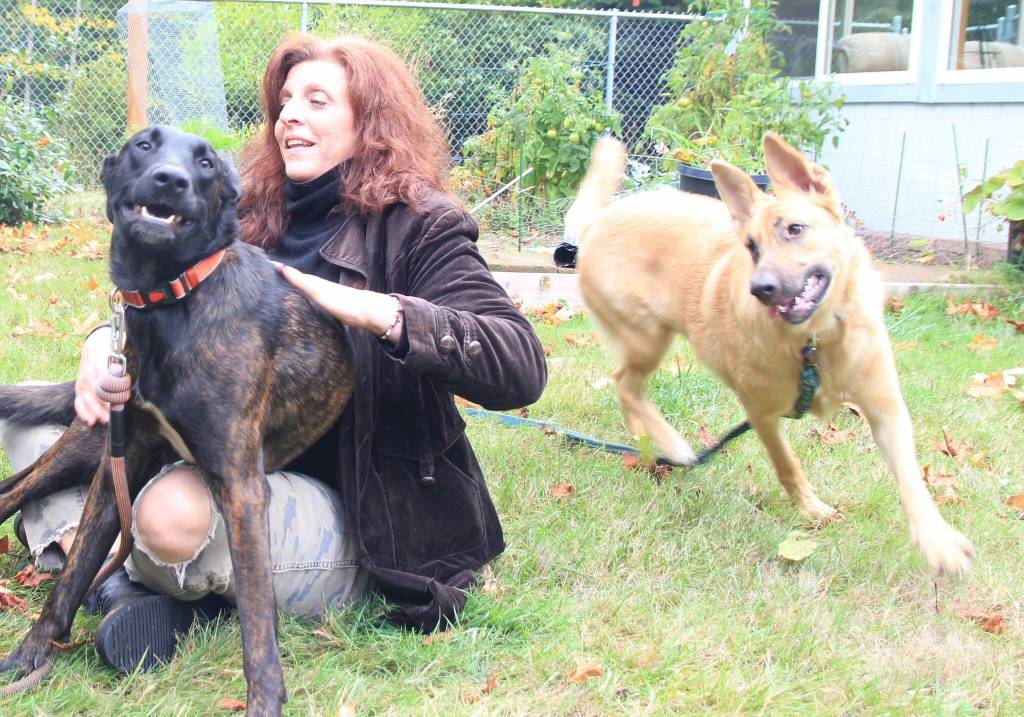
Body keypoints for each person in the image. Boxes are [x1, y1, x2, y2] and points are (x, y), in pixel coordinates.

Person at [0, 33, 546, 674]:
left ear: (369, 121)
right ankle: (109, 569)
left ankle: (133, 572)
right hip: (207, 443)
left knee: (169, 514)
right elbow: (162, 296)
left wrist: (385, 313)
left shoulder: (420, 225)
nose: (291, 115)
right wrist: (100, 347)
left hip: (352, 501)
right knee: (33, 422)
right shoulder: (252, 211)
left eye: (318, 101)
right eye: (286, 101)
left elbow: (520, 363)